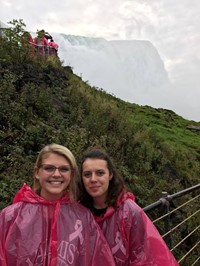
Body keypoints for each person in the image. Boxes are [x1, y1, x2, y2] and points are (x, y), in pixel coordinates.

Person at [0, 144, 115, 266]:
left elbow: (100, 259)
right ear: (37, 172)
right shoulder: (11, 217)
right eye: (49, 168)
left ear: (71, 174)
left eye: (64, 169)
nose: (56, 174)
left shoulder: (83, 218)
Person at [79, 147, 180, 266]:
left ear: (110, 175)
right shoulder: (78, 211)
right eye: (87, 174)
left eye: (100, 173)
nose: (93, 179)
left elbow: (142, 256)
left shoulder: (129, 211)